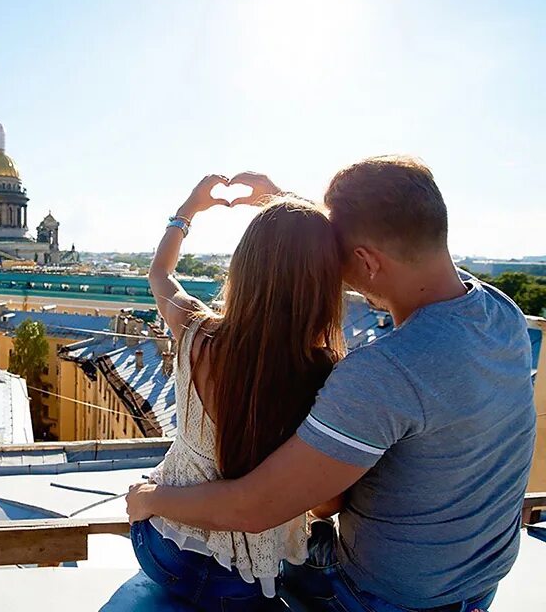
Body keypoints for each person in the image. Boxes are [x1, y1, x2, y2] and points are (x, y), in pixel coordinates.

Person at [127, 157, 536, 612]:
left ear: (365, 260)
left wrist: (151, 497)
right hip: (477, 587)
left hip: (381, 598)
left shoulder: (381, 373)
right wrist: (287, 208)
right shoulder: (502, 315)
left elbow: (258, 507)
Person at [131, 174, 346, 610]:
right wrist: (283, 203)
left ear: (242, 266)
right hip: (252, 579)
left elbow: (160, 273)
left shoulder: (196, 331)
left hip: (166, 549)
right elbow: (326, 506)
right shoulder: (327, 373)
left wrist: (188, 209)